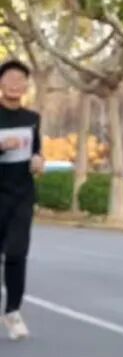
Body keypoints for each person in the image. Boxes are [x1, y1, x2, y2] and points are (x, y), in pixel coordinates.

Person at [0, 59, 44, 341]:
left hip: (21, 195)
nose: (15, 85)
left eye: (20, 80)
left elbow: (37, 149)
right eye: (10, 79)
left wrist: (39, 160)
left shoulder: (32, 118)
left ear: (27, 85)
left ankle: (13, 311)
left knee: (17, 254)